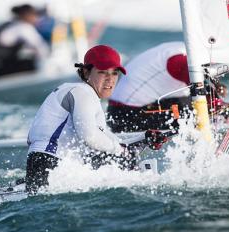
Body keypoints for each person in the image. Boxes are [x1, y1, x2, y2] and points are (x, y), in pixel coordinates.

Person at [25, 45, 169, 194]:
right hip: (50, 167)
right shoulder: (82, 93)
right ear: (86, 72)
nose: (110, 79)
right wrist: (123, 152)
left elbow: (105, 137)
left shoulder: (76, 91)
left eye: (114, 73)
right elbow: (90, 137)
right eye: (102, 72)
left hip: (44, 166)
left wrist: (142, 138)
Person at [107, 41, 227, 133]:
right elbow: (200, 90)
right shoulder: (180, 59)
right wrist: (222, 107)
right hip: (127, 117)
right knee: (196, 111)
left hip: (123, 110)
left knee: (192, 106)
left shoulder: (183, 48)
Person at [0, 4, 50, 79]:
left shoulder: (8, 24)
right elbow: (41, 47)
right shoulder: (23, 27)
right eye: (35, 15)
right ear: (27, 15)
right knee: (30, 64)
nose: (37, 18)